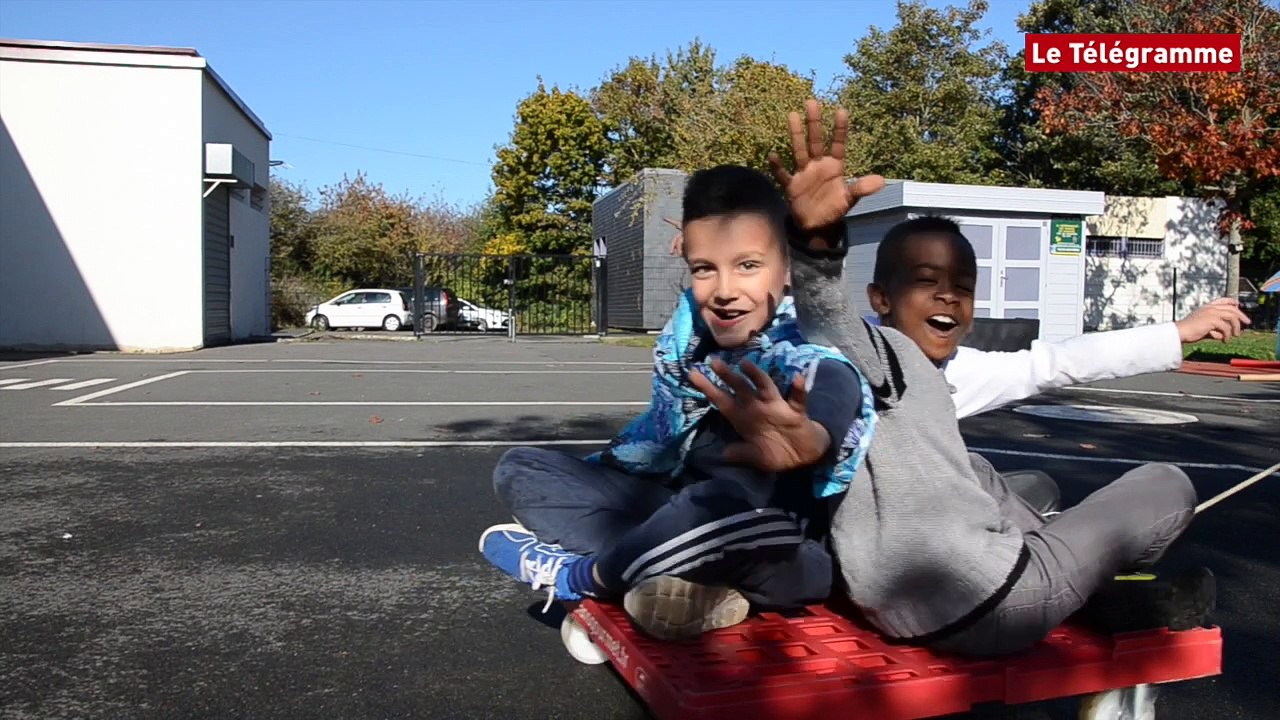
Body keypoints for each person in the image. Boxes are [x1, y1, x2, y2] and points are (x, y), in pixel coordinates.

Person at [703, 98, 1214, 656]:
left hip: (895, 602)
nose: (948, 295)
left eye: (962, 286)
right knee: (1167, 483)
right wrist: (816, 239)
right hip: (991, 598)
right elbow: (828, 317)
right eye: (927, 281)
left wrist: (1177, 333)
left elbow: (1055, 362)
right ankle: (1101, 589)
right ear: (880, 300)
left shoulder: (949, 368)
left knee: (995, 473)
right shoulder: (882, 352)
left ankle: (1088, 581)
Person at [477, 164, 879, 641]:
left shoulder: (809, 355)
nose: (726, 291)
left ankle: (580, 576)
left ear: (787, 269)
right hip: (675, 510)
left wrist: (812, 438)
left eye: (748, 265)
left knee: (717, 510)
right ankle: (676, 577)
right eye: (706, 269)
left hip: (775, 547)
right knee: (521, 468)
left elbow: (833, 387)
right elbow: (659, 454)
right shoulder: (688, 344)